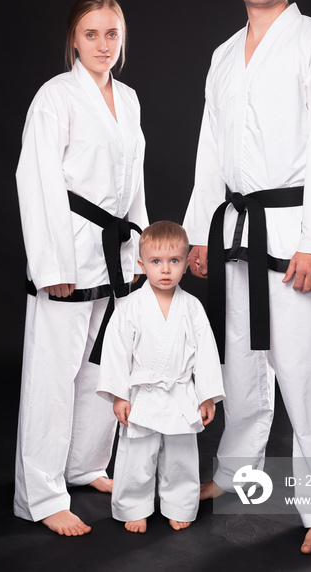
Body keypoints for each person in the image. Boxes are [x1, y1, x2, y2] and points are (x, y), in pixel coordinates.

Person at [183, 0, 311, 556]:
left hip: (293, 230)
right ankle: (235, 471)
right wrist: (203, 229)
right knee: (241, 360)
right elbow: (211, 151)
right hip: (234, 229)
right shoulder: (224, 54)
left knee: (309, 372)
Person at [14, 0, 149, 536]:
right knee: (53, 373)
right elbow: (36, 180)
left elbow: (133, 181)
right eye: (91, 35)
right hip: (67, 246)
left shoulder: (131, 99)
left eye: (111, 34)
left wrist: (139, 250)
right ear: (74, 39)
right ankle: (42, 495)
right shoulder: (56, 96)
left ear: (123, 38)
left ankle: (87, 464)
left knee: (104, 366)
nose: (102, 45)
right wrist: (51, 263)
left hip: (114, 252)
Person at [97, 221, 225, 533]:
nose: (165, 270)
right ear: (141, 264)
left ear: (185, 264)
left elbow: (207, 352)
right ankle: (134, 506)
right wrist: (119, 395)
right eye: (156, 262)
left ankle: (180, 505)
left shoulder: (192, 307)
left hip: (181, 394)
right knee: (136, 457)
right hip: (143, 394)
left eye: (173, 261)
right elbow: (115, 352)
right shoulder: (129, 306)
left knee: (181, 457)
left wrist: (207, 395)